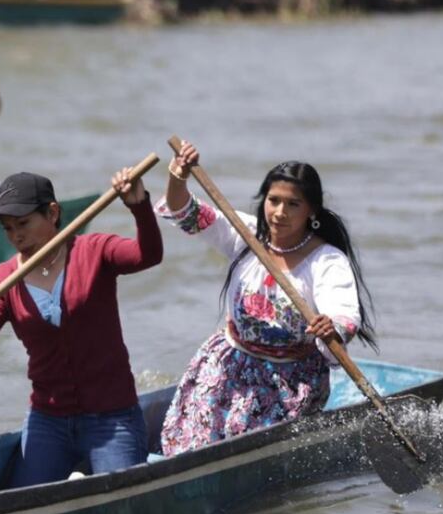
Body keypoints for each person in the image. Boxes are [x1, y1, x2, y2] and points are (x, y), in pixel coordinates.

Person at [156, 140, 376, 457]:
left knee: (246, 446)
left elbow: (344, 314)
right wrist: (178, 178)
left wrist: (332, 327)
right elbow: (184, 212)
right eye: (274, 201)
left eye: (293, 204)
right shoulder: (244, 234)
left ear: (311, 211)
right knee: (192, 447)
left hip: (291, 377)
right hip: (229, 363)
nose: (280, 213)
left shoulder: (326, 261)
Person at [0, 168, 163, 488]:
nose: (15, 236)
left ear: (53, 213)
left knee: (123, 508)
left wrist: (138, 206)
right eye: (8, 229)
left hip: (112, 416)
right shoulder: (2, 280)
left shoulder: (95, 251)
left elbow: (149, 255)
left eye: (23, 224)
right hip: (48, 421)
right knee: (23, 498)